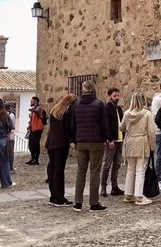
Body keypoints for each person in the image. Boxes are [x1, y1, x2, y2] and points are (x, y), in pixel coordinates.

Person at [72, 80, 109, 212]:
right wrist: (107, 138)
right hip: (96, 141)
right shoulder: (99, 104)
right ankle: (94, 202)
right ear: (94, 89)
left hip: (81, 141)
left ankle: (77, 202)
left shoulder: (76, 105)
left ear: (83, 90)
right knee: (95, 171)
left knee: (81, 171)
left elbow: (73, 124)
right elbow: (104, 124)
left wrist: (75, 139)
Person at [119, 92, 156, 206]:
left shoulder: (127, 113)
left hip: (130, 141)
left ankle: (128, 194)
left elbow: (121, 127)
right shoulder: (147, 114)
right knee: (140, 170)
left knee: (131, 169)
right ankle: (139, 196)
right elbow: (151, 132)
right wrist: (152, 146)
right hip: (142, 142)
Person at [46, 93, 77, 206]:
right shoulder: (66, 112)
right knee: (59, 170)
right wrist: (74, 140)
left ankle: (53, 196)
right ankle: (59, 197)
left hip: (51, 142)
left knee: (53, 169)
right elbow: (70, 128)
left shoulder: (55, 110)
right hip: (61, 143)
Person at [100, 87, 124, 197]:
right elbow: (105, 125)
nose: (117, 98)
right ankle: (103, 186)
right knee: (107, 165)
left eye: (118, 95)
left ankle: (114, 186)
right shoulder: (106, 108)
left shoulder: (119, 109)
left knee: (117, 164)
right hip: (112, 141)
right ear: (110, 96)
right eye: (115, 96)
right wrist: (109, 139)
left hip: (120, 140)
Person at [26, 96, 46, 165]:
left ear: (35, 101)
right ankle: (32, 158)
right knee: (31, 145)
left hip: (38, 129)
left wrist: (33, 110)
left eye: (32, 101)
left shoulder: (39, 108)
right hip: (33, 129)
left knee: (35, 144)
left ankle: (36, 159)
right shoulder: (33, 109)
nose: (30, 102)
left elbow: (37, 111)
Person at [5, 103, 16, 173]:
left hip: (3, 136)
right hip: (10, 136)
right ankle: (10, 167)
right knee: (10, 153)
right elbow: (13, 126)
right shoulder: (11, 115)